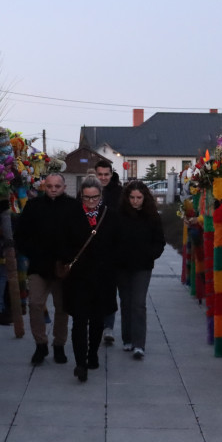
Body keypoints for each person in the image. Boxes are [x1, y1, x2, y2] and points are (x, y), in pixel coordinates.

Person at [58, 175, 119, 381]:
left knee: (97, 320)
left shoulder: (110, 216)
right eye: (86, 198)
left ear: (100, 196)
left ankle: (92, 354)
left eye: (94, 198)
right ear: (80, 196)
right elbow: (62, 243)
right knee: (79, 321)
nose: (91, 202)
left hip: (103, 277)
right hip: (78, 278)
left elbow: (118, 244)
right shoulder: (70, 214)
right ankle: (80, 363)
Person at [14, 172, 78, 365]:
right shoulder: (34, 206)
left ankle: (59, 344)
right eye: (49, 186)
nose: (53, 190)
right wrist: (31, 253)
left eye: (57, 186)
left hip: (62, 267)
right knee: (34, 303)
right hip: (38, 266)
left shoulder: (73, 206)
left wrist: (69, 258)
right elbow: (21, 234)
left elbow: (78, 236)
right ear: (44, 186)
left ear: (64, 187)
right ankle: (40, 343)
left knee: (62, 308)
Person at [115, 180, 166, 358]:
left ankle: (139, 343)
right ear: (127, 198)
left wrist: (150, 255)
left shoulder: (152, 217)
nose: (135, 201)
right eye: (132, 197)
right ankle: (127, 338)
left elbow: (159, 241)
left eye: (139, 197)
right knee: (126, 302)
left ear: (145, 198)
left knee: (138, 303)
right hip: (122, 265)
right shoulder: (119, 215)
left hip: (142, 266)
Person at [94, 159, 122, 345]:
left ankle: (108, 327)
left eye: (106, 174)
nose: (103, 178)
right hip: (92, 246)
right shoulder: (88, 190)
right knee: (94, 288)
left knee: (110, 288)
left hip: (112, 246)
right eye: (100, 174)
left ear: (111, 174)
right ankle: (96, 323)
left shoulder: (119, 193)